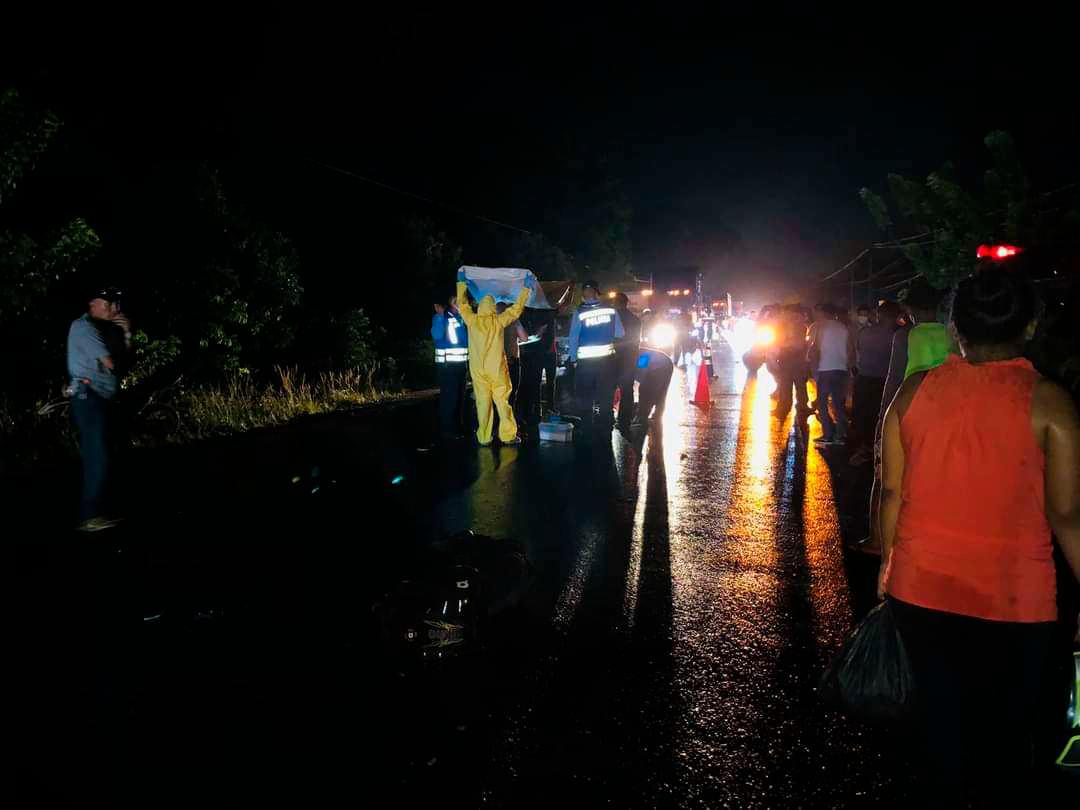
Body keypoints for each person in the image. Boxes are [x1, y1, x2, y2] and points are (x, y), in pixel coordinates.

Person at [878, 264, 1080, 806]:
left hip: (920, 589)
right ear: (1032, 326)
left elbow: (892, 491)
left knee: (941, 725)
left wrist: (887, 560)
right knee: (1008, 736)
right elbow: (1067, 516)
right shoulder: (1051, 402)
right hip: (1014, 601)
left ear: (954, 326)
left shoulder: (914, 392)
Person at [66, 287, 131, 531]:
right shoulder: (84, 328)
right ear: (93, 304)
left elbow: (117, 361)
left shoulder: (101, 329)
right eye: (108, 304)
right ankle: (89, 515)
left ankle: (98, 510)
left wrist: (123, 332)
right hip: (88, 397)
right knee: (97, 455)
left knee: (105, 452)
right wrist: (124, 334)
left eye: (114, 304)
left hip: (100, 397)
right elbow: (112, 363)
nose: (113, 308)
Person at [455, 271, 531, 446]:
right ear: (492, 307)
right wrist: (526, 288)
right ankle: (507, 436)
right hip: (496, 370)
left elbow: (462, 304)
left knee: (483, 404)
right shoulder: (498, 321)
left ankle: (484, 437)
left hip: (478, 371)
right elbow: (516, 309)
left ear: (480, 307)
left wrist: (461, 284)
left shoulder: (472, 320)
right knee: (503, 402)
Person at [849, 301, 902, 464]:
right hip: (886, 381)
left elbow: (857, 352)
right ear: (896, 316)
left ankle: (865, 449)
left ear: (879, 315)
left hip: (865, 379)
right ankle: (883, 451)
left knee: (864, 417)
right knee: (884, 417)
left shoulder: (865, 332)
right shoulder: (898, 335)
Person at [567, 280, 624, 429]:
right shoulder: (611, 310)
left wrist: (573, 359)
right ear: (596, 292)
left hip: (586, 363)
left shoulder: (579, 312)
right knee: (605, 393)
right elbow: (620, 333)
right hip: (607, 361)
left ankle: (586, 424)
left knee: (585, 393)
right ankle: (605, 423)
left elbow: (573, 337)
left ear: (584, 294)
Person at [807, 303, 850, 447]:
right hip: (841, 369)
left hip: (825, 369)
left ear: (824, 313)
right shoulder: (843, 327)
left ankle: (828, 434)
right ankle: (841, 435)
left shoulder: (820, 327)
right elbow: (850, 348)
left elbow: (815, 348)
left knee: (822, 403)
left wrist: (812, 365)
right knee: (839, 404)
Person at [431, 293, 470, 441]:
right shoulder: (441, 317)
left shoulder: (461, 319)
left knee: (460, 398)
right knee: (449, 399)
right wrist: (440, 317)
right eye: (457, 301)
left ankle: (458, 427)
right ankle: (447, 430)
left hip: (461, 366)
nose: (461, 304)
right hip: (447, 367)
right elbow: (436, 335)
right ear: (451, 303)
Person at [515, 305, 556, 439]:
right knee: (531, 385)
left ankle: (530, 413)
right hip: (530, 355)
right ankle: (531, 413)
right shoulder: (525, 317)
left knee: (530, 385)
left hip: (529, 356)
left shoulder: (524, 316)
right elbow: (525, 338)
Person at [772, 305, 812, 415]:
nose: (786, 315)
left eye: (787, 312)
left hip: (792, 358)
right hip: (792, 358)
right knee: (794, 384)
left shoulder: (796, 325)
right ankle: (798, 406)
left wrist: (782, 344)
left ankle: (788, 407)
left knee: (789, 384)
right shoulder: (795, 324)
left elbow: (797, 344)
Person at [612, 292, 641, 431]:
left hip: (612, 357)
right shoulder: (635, 320)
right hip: (629, 359)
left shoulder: (612, 319)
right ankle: (625, 419)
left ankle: (608, 416)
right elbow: (636, 342)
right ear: (626, 303)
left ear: (616, 303)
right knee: (627, 390)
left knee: (609, 388)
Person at [633, 347, 674, 426]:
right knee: (661, 391)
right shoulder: (637, 354)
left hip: (658, 366)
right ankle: (656, 415)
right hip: (665, 362)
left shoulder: (639, 357)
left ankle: (642, 417)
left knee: (646, 391)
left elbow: (642, 372)